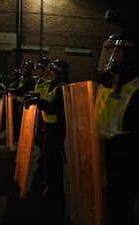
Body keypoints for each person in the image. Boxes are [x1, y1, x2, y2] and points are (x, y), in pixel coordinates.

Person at [94, 12, 139, 225]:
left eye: (117, 52)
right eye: (109, 53)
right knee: (107, 201)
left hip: (126, 158)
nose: (111, 58)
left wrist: (129, 141)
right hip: (104, 150)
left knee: (120, 207)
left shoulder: (136, 87)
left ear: (131, 55)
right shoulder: (110, 82)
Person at [25, 59, 70, 203]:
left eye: (53, 72)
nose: (50, 75)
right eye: (49, 72)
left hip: (57, 129)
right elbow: (44, 99)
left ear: (60, 74)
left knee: (53, 161)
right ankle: (49, 183)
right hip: (48, 126)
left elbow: (55, 107)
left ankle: (55, 190)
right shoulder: (52, 86)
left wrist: (38, 102)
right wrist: (34, 98)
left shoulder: (63, 88)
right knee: (48, 158)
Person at [8, 60, 36, 142]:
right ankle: (18, 137)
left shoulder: (30, 80)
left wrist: (13, 91)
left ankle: (22, 140)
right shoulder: (23, 79)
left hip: (25, 104)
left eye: (27, 68)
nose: (25, 70)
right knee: (18, 122)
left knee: (22, 123)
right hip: (19, 102)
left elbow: (21, 91)